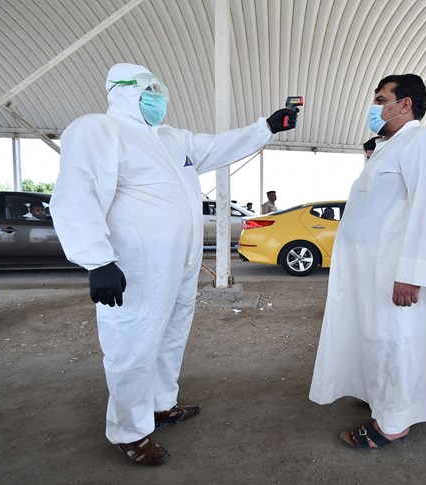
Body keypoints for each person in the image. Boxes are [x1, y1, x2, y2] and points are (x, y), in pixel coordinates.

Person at [49, 62, 297, 466]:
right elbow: (77, 192)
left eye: (159, 89)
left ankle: (161, 405)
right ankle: (129, 431)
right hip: (136, 267)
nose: (158, 96)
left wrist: (266, 127)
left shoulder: (170, 137)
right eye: (149, 88)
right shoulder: (99, 129)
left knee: (170, 336)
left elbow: (217, 146)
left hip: (180, 265)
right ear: (123, 90)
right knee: (132, 344)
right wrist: (97, 261)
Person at [309, 74, 426, 449]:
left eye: (381, 99)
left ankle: (393, 423)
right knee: (376, 339)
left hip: (397, 272)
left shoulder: (425, 143)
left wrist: (411, 273)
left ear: (404, 104)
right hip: (371, 272)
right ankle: (381, 399)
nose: (375, 107)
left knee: (397, 341)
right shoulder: (389, 147)